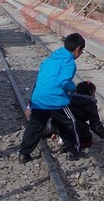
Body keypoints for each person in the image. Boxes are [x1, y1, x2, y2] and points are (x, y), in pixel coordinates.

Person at [18, 33, 86, 163]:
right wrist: (72, 88)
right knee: (69, 122)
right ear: (77, 49)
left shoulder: (50, 59)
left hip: (39, 99)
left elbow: (40, 80)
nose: (80, 53)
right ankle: (73, 150)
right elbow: (63, 81)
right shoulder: (69, 63)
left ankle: (24, 153)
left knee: (35, 126)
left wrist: (30, 103)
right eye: (81, 51)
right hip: (56, 100)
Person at [50, 80, 104, 151]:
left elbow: (57, 116)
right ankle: (73, 143)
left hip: (63, 130)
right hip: (77, 130)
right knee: (88, 141)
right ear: (90, 93)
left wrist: (54, 131)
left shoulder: (68, 100)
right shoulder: (90, 104)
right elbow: (95, 125)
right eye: (94, 93)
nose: (94, 96)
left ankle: (62, 140)